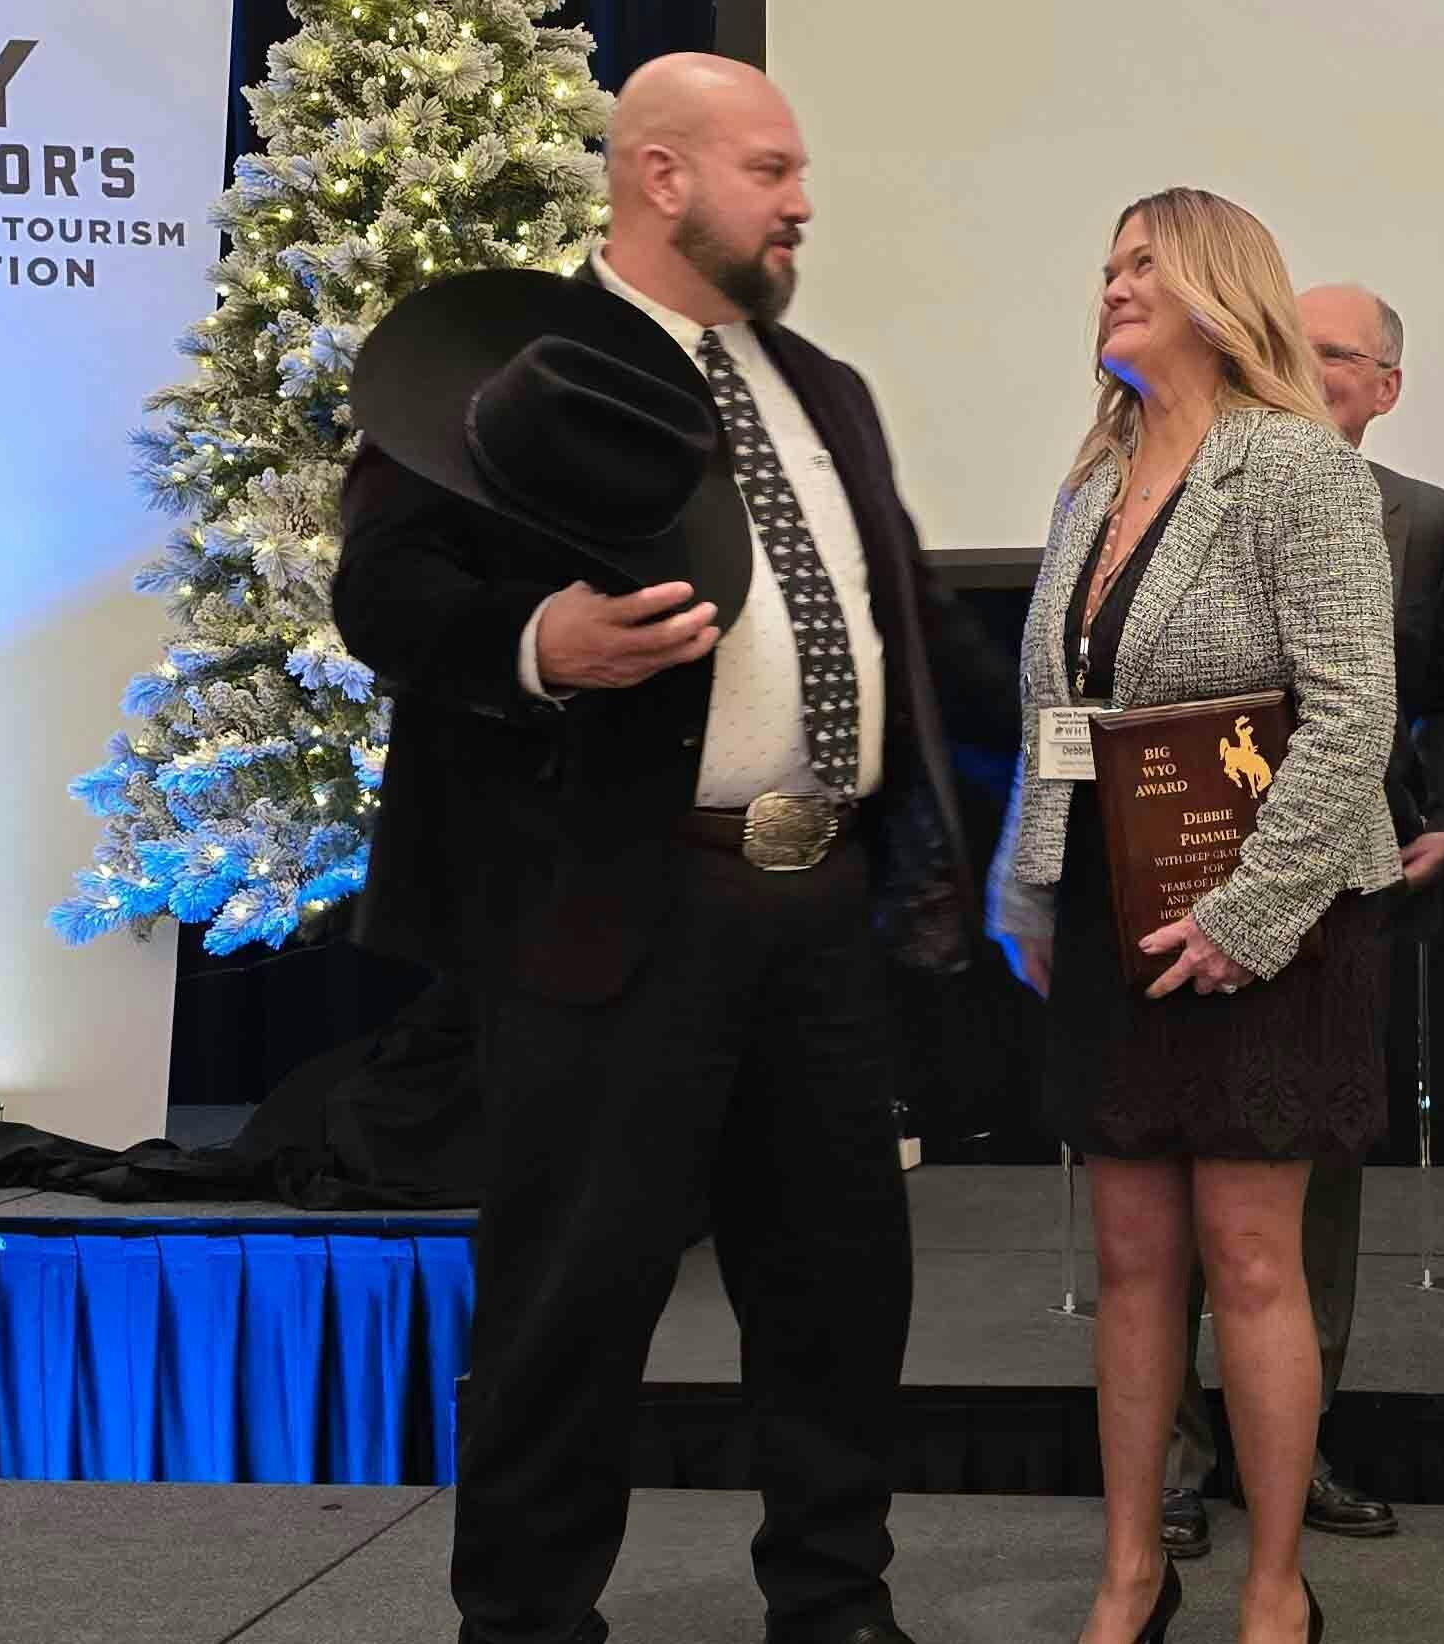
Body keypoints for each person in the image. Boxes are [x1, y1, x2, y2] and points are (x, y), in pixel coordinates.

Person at [333, 55, 1008, 1644]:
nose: (801, 201)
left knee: (839, 1291)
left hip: (819, 905)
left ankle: (834, 1610)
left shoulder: (817, 380)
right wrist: (534, 640)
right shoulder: (519, 359)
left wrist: (1075, 744)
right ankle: (526, 1623)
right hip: (610, 911)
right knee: (573, 1301)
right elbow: (384, 596)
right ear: (658, 176)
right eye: (769, 169)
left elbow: (899, 614)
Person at [987, 187, 1398, 1644]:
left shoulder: (1293, 467)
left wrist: (1248, 912)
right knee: (1130, 1265)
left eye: (1139, 265)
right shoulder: (1087, 486)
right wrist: (1025, 879)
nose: (1110, 287)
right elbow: (1055, 712)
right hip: (1114, 921)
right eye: (1102, 265)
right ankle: (1130, 1576)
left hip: (1265, 930)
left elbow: (1354, 719)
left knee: (1249, 1263)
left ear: (1219, 289)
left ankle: (1274, 1589)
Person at [1154, 280, 1444, 1560]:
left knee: (1315, 1184)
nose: (1303, 365)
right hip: (1174, 884)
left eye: (1334, 352)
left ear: (1384, 388)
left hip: (1341, 891)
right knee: (1171, 1183)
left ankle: (1296, 1441)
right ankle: (1172, 1457)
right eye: (1288, 338)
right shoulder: (1171, 484)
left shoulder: (1431, 523)